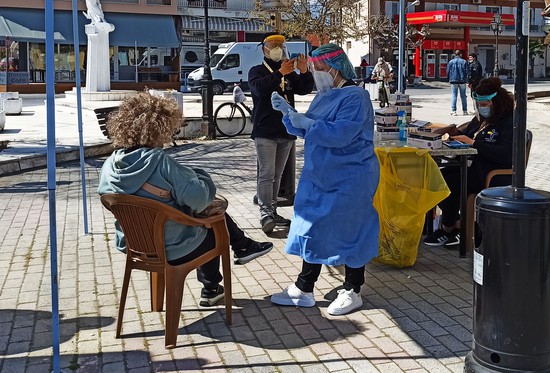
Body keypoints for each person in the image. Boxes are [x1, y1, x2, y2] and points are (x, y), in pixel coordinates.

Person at [97, 92, 273, 307]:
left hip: (135, 246)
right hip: (174, 247)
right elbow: (200, 199)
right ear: (159, 128)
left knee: (203, 218)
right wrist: (200, 175)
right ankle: (213, 285)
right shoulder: (160, 162)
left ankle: (227, 268)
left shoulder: (110, 165)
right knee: (212, 224)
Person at [269, 43, 380, 316]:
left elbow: (339, 134)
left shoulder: (356, 97)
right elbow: (311, 128)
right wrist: (289, 115)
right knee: (312, 227)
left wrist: (307, 123)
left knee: (352, 230)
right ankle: (304, 287)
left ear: (335, 68)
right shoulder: (325, 95)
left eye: (319, 69)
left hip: (349, 176)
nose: (316, 74)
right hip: (320, 175)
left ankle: (353, 289)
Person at [423, 77, 514, 247]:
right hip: (472, 166)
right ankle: (452, 224)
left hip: (490, 172)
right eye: (479, 104)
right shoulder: (482, 119)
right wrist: (455, 132)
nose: (481, 108)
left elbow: (505, 154)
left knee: (451, 183)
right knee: (436, 177)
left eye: (485, 104)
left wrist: (473, 143)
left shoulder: (509, 122)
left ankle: (449, 228)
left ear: (496, 102)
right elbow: (470, 134)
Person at [248, 34, 314, 233]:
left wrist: (304, 71)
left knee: (277, 174)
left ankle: (273, 209)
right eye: (273, 45)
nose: (277, 48)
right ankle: (265, 212)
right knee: (266, 173)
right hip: (265, 130)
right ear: (264, 49)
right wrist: (279, 73)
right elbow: (259, 89)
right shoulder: (257, 71)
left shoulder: (287, 71)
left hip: (286, 131)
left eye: (280, 45)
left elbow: (304, 89)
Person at [447, 50, 469, 116]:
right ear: (460, 54)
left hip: (453, 80)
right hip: (462, 80)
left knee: (454, 95)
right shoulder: (464, 61)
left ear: (455, 54)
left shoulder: (451, 62)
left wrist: (449, 78)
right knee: (463, 96)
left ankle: (454, 111)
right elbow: (467, 71)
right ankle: (465, 111)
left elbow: (447, 71)